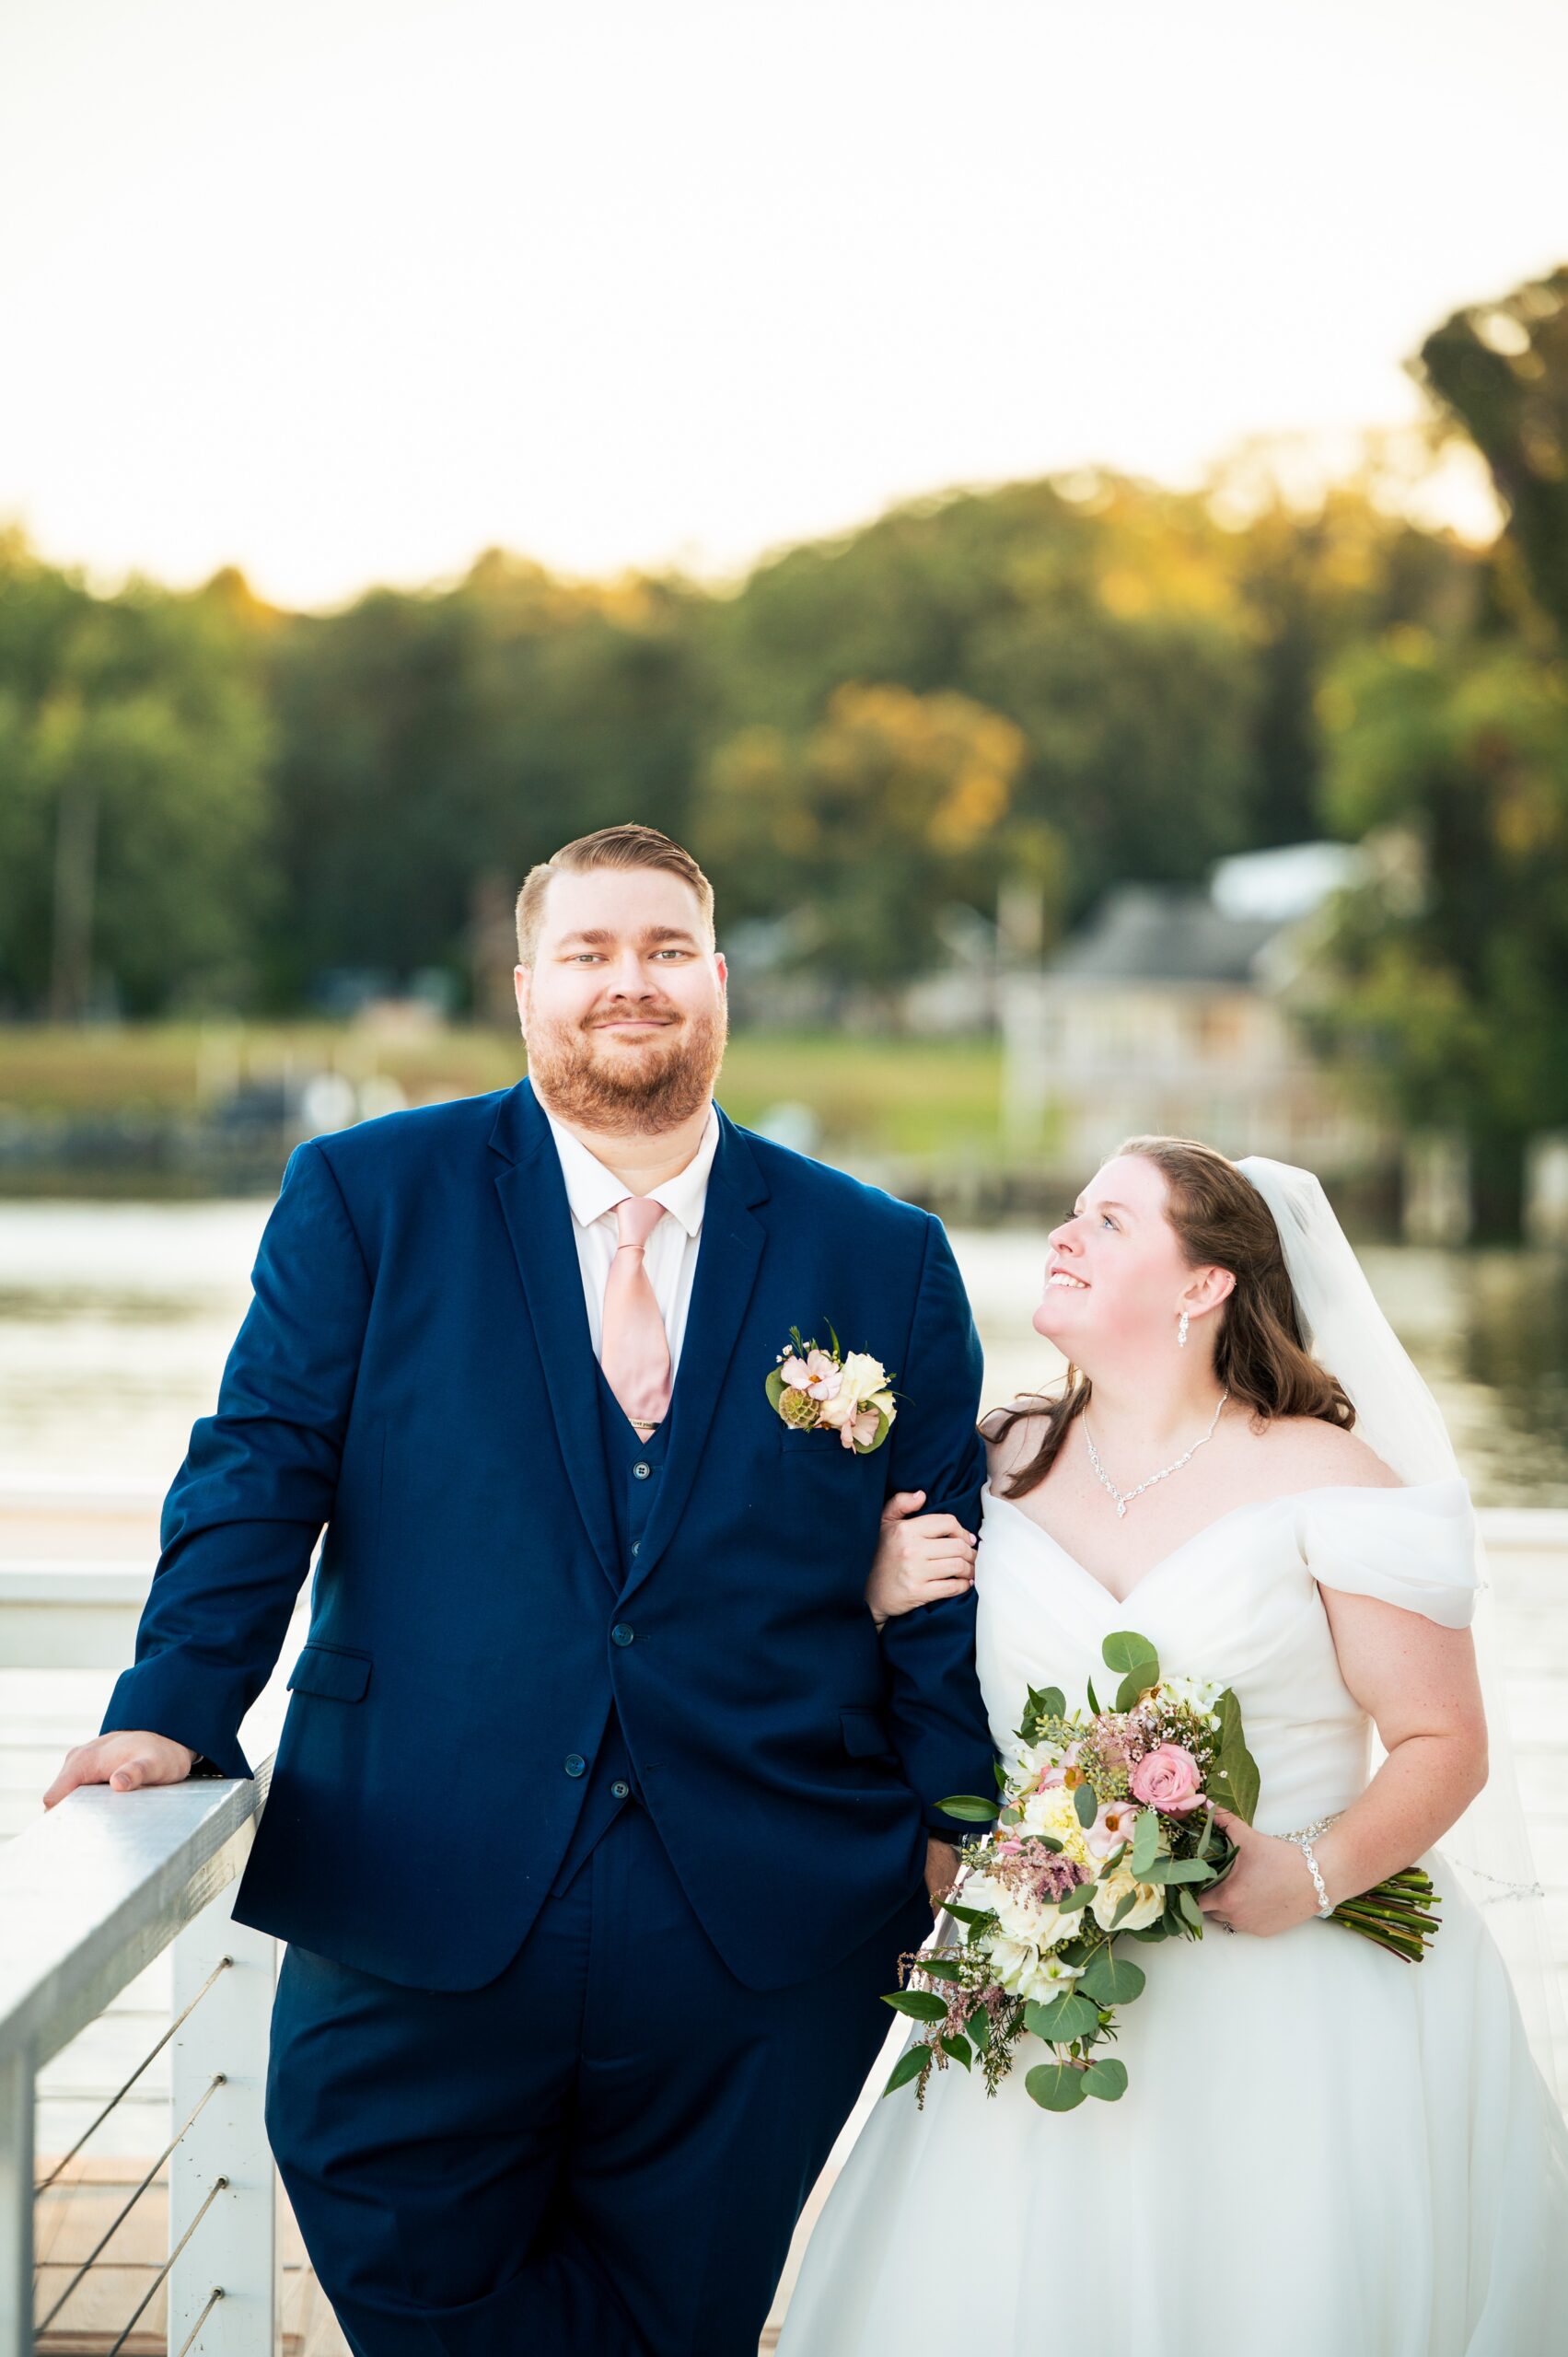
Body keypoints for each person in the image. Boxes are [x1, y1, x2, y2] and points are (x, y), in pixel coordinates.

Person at [43, 824, 995, 2357]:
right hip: (417, 1867)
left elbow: (939, 1568)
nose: (634, 983)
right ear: (525, 986)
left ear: (721, 981)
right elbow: (259, 1468)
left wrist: (962, 1821)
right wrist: (170, 1712)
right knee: (387, 2221)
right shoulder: (367, 1195)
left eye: (668, 949)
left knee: (688, 2315)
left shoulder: (880, 1253)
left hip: (761, 1917)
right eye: (593, 952)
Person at [781, 1135, 1568, 2357]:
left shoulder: (1333, 1480)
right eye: (1069, 1213)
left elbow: (1441, 1739)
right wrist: (878, 1585)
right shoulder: (995, 1462)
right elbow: (887, 1679)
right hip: (1041, 1991)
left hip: (1298, 1988)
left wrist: (1301, 1873)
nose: (1063, 1235)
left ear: (1203, 1285)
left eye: (1107, 1221)